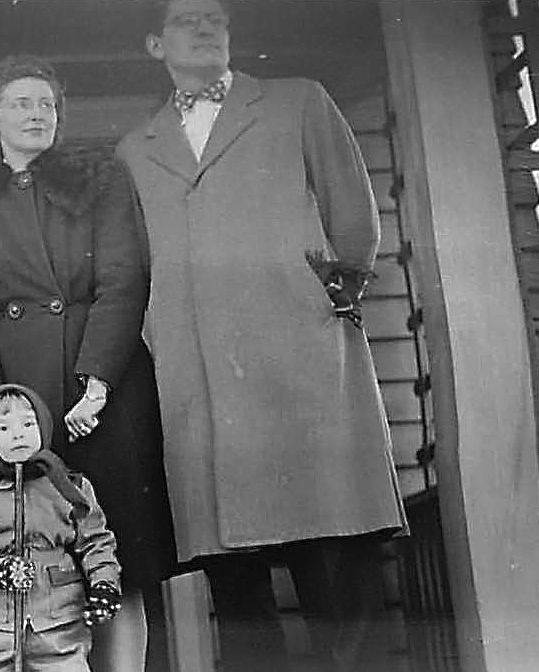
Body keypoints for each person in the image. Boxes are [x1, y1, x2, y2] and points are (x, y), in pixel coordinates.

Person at [116, 2, 408, 670]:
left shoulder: (297, 102)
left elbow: (352, 217)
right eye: (187, 19)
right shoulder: (136, 148)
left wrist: (328, 295)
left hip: (300, 368)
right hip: (204, 387)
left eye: (215, 17)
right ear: (155, 43)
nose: (205, 27)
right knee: (240, 598)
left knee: (337, 564)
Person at [0, 54, 176, 672]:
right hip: (19, 399)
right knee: (28, 552)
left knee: (115, 556)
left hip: (104, 388)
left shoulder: (101, 179)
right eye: (21, 103)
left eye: (47, 104)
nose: (37, 114)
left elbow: (124, 279)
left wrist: (96, 384)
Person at [0, 384, 122, 672]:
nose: (18, 434)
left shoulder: (70, 488)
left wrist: (105, 584)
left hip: (59, 625)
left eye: (28, 423)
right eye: (4, 427)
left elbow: (96, 542)